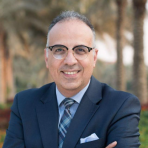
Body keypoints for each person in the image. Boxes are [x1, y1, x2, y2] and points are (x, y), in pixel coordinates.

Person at [3, 11, 141, 148]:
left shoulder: (121, 106)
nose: (70, 61)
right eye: (59, 50)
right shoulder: (24, 104)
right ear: (46, 57)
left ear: (94, 57)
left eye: (80, 50)